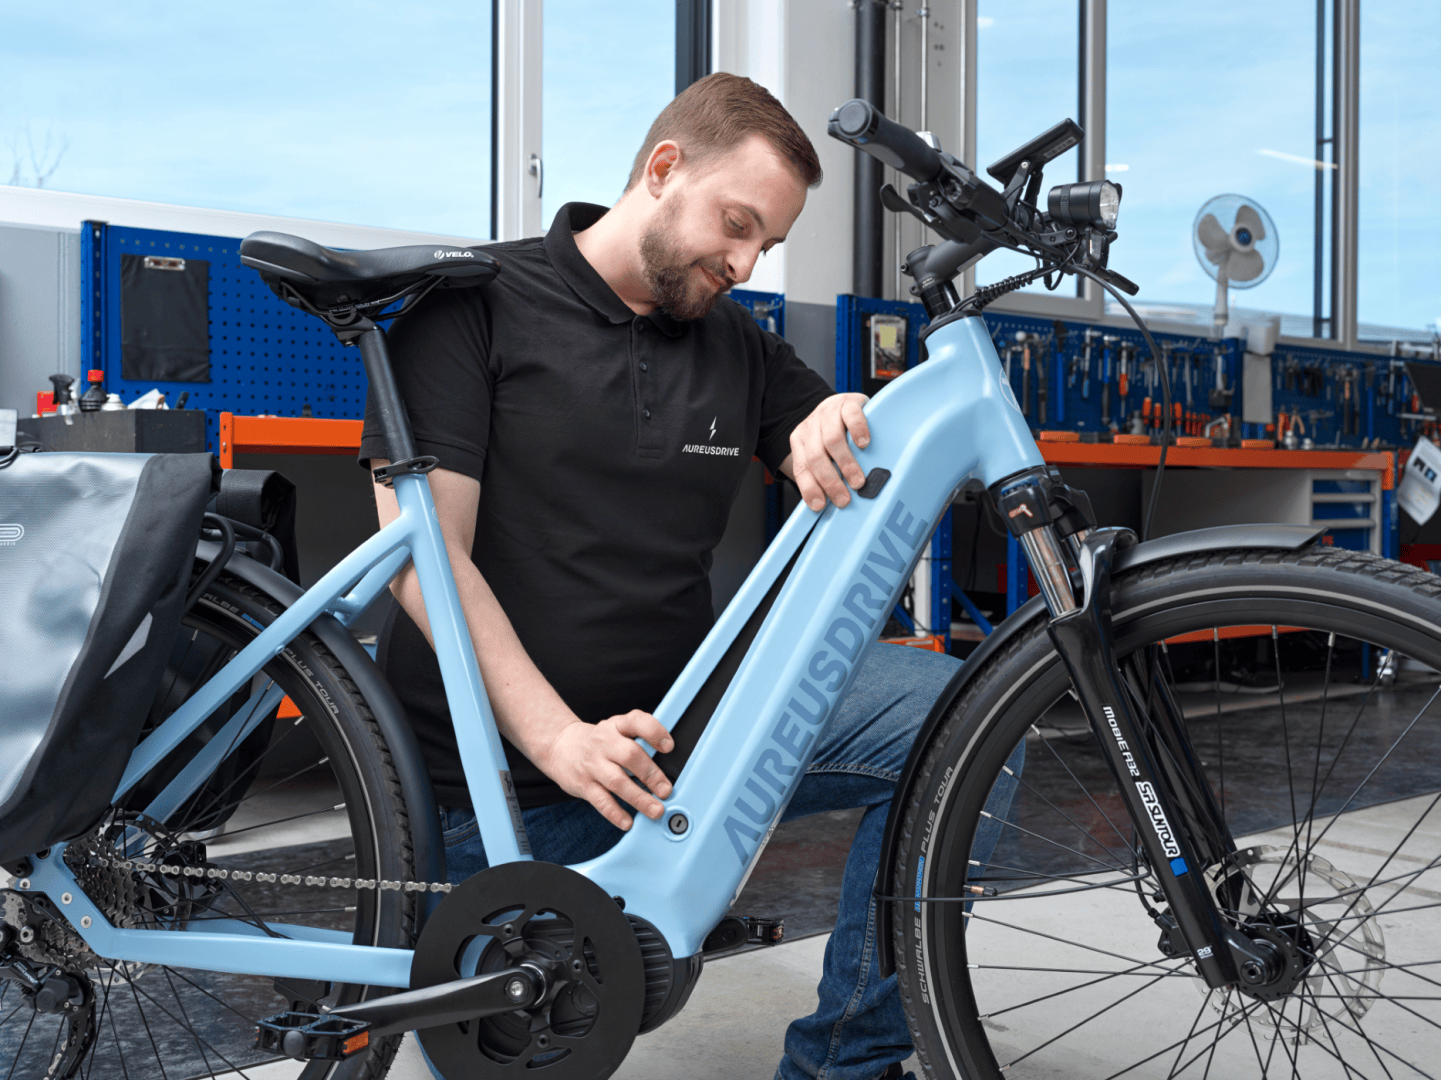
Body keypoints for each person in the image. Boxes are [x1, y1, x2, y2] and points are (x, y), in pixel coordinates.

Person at [360, 72, 1015, 1080]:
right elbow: (421, 559)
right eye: (736, 225)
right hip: (492, 790)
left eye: (768, 246)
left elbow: (815, 430)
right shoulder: (473, 308)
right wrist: (558, 739)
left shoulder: (734, 343)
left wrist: (833, 418)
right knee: (534, 1046)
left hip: (682, 755)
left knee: (975, 716)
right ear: (663, 171)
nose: (746, 263)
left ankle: (847, 1062)